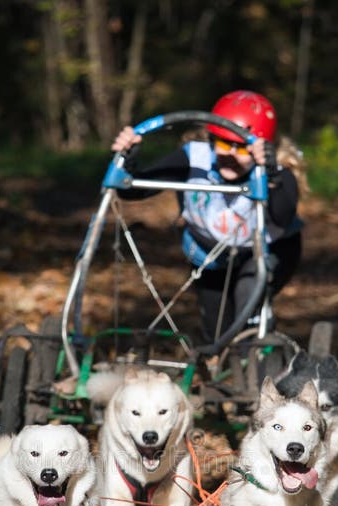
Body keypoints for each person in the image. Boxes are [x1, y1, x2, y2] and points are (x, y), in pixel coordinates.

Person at [111, 90, 307, 346]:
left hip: (264, 252)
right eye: (224, 144)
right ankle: (220, 368)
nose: (231, 155)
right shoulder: (195, 158)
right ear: (212, 139)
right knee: (217, 333)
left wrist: (269, 175)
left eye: (242, 148)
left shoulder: (277, 174)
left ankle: (256, 358)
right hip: (210, 255)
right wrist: (128, 161)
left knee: (248, 299)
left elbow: (282, 215)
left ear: (261, 148)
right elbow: (133, 190)